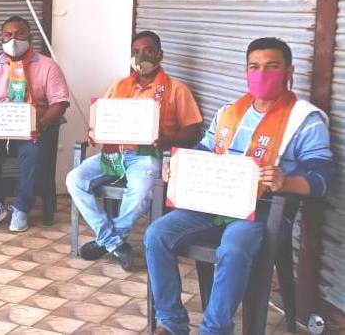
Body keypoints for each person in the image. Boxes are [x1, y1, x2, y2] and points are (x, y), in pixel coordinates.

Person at [145, 37, 334, 335]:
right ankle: (172, 324)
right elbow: (204, 151)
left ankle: (214, 330)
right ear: (246, 71)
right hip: (213, 203)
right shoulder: (229, 112)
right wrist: (178, 167)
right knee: (157, 234)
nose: (262, 73)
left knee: (233, 248)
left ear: (289, 72)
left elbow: (322, 179)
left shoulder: (304, 120)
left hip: (263, 211)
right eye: (254, 67)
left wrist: (286, 181)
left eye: (272, 66)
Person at [66, 31, 203, 270]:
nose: (141, 57)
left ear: (160, 54)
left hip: (147, 156)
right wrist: (95, 131)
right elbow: (103, 118)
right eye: (136, 52)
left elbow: (193, 130)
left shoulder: (176, 89)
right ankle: (113, 241)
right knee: (74, 179)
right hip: (114, 154)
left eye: (148, 51)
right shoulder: (119, 85)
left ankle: (106, 241)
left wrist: (168, 139)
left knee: (140, 192)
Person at [0, 15, 70, 232]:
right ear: (1, 38)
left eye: (20, 34)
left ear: (30, 38)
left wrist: (42, 124)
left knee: (35, 152)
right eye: (8, 35)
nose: (13, 40)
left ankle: (22, 207)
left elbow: (60, 103)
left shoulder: (48, 66)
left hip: (32, 132)